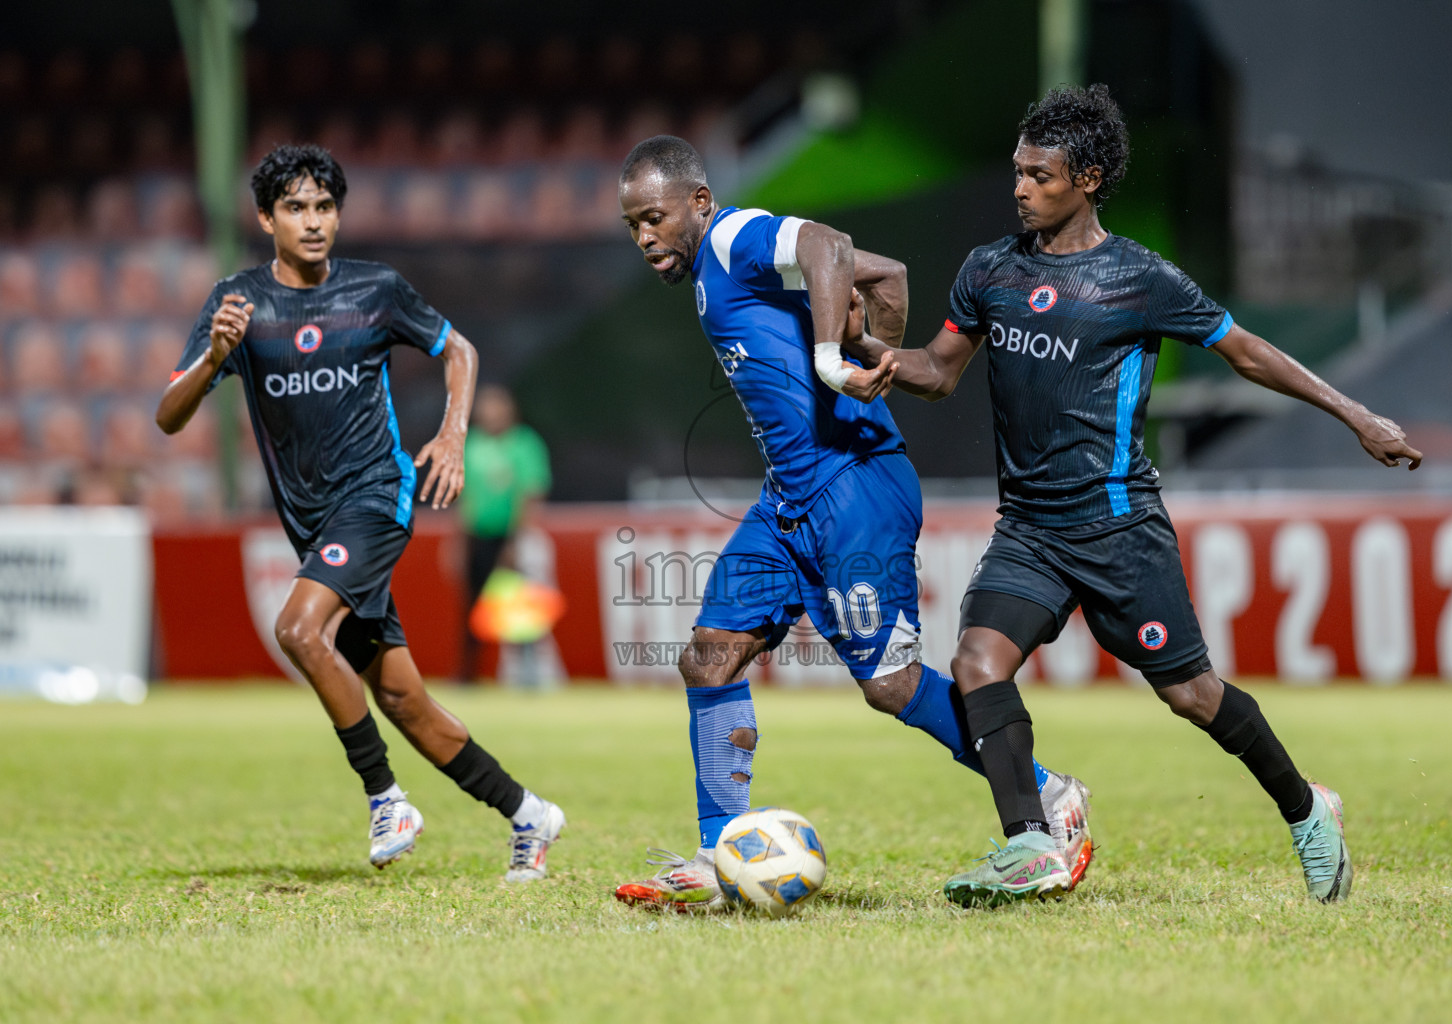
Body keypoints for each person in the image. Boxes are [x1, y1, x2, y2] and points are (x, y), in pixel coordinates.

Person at [842, 85, 1423, 906]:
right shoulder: (989, 269)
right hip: (1032, 532)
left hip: (1119, 528)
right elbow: (938, 372)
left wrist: (1357, 415)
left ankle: (1306, 810)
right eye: (1016, 171)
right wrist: (872, 351)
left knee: (1192, 695)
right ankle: (1030, 846)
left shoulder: (1139, 279)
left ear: (1088, 177)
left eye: (1038, 176)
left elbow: (1248, 353)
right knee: (976, 662)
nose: (1018, 188)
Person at [610, 135, 1094, 913]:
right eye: (633, 225)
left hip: (854, 490)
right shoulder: (717, 266)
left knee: (891, 685)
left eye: (655, 218)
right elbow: (885, 274)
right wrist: (880, 359)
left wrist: (839, 361)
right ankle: (718, 855)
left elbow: (829, 244)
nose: (645, 239)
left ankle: (1051, 793)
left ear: (698, 203)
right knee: (708, 658)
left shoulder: (733, 236)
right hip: (789, 499)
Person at [155, 144, 564, 882]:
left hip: (376, 497)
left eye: (324, 207)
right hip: (313, 523)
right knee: (404, 698)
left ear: (338, 215)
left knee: (298, 628)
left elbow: (459, 350)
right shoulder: (239, 305)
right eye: (295, 208)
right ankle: (530, 814)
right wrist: (216, 357)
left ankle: (386, 799)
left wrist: (451, 434)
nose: (312, 222)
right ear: (265, 218)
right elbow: (168, 415)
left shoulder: (376, 290)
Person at [458, 383, 551, 682]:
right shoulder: (472, 444)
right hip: (477, 535)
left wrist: (518, 538)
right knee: (473, 605)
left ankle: (527, 674)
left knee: (519, 606)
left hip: (511, 536)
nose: (491, 413)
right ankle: (468, 674)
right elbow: (465, 495)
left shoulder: (524, 443)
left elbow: (532, 492)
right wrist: (458, 538)